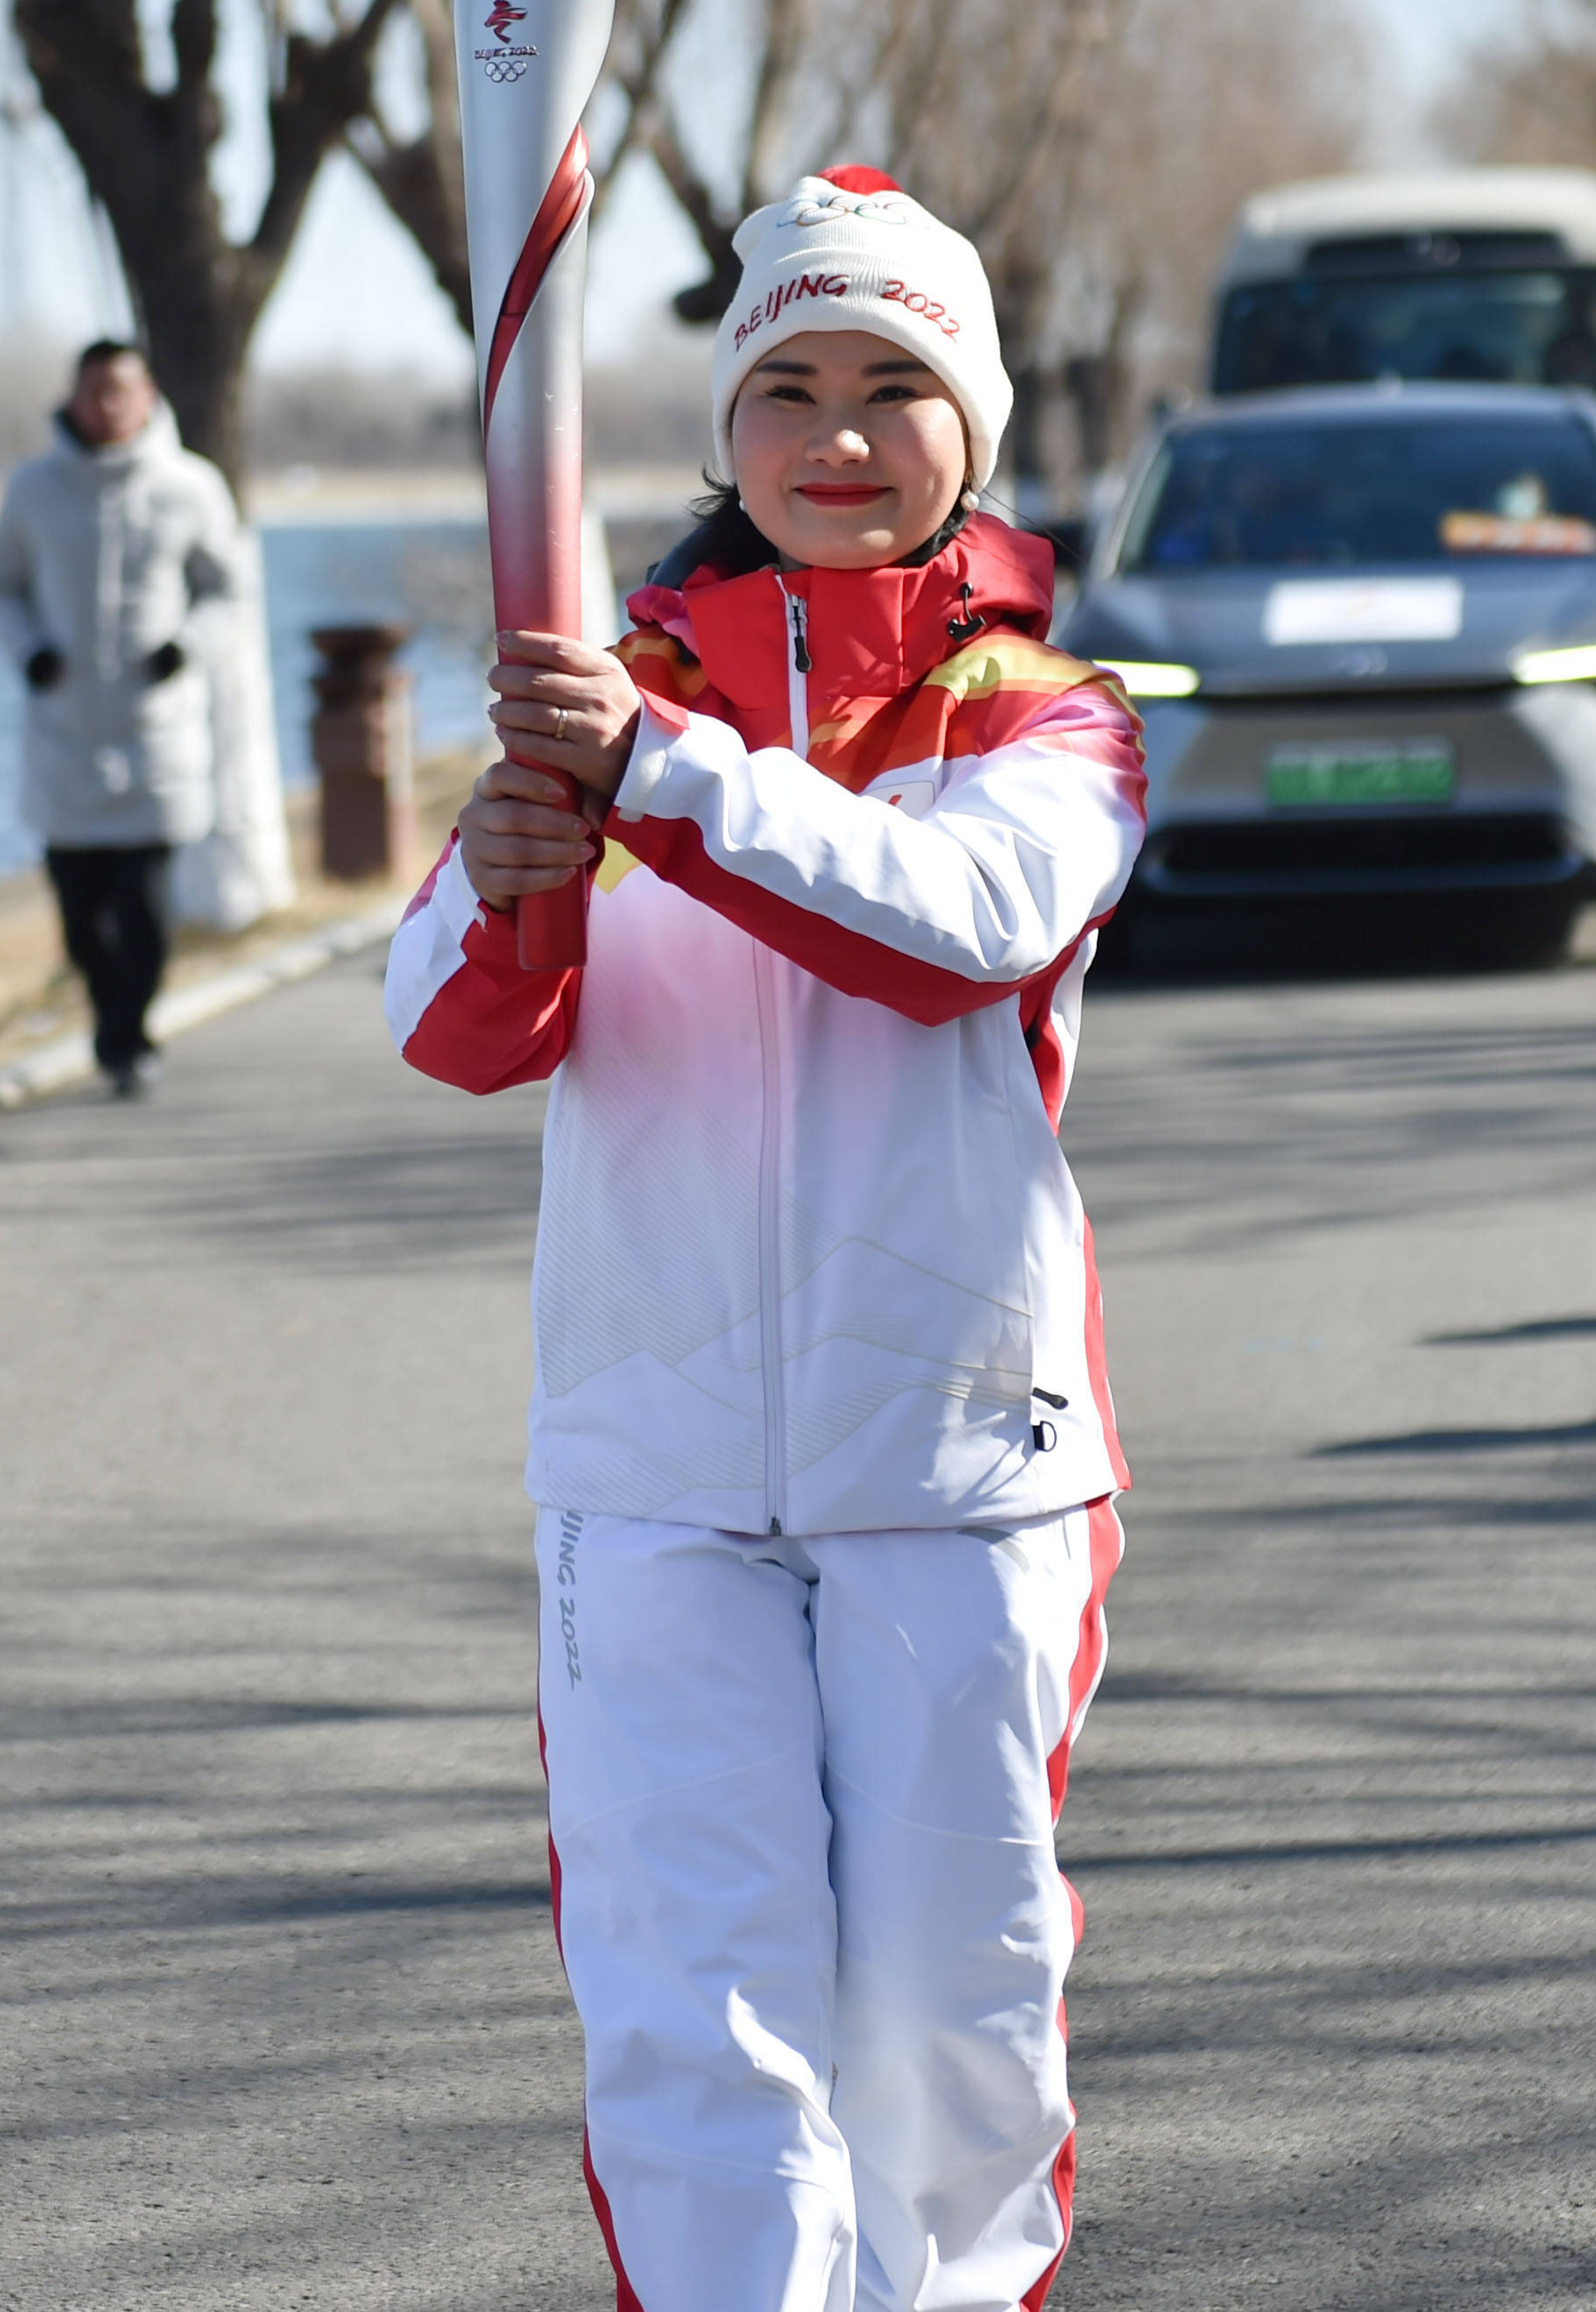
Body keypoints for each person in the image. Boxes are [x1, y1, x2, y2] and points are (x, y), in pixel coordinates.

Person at [384, 167, 1148, 2312]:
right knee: (689, 2035)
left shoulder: (1044, 719)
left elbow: (955, 935)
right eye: (784, 387)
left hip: (950, 1464)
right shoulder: (598, 700)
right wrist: (515, 853)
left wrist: (660, 784)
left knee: (943, 2046)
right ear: (723, 429)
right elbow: (451, 1027)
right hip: (643, 1473)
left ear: (966, 430)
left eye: (890, 387)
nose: (833, 436)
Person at [0, 338, 243, 1096]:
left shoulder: (191, 486)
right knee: (81, 917)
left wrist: (187, 647)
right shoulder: (33, 490)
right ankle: (110, 1019)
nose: (106, 405)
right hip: (65, 736)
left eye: (120, 390)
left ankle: (129, 1040)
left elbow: (228, 589)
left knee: (147, 912)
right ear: (74, 396)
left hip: (156, 734)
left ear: (145, 393)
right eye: (94, 391)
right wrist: (29, 651)